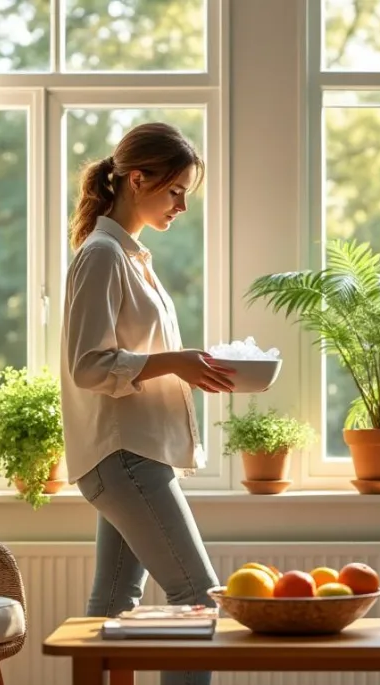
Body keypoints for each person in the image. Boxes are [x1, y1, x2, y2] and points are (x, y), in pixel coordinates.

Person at [60, 122, 235, 685]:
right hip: (124, 457)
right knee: (198, 598)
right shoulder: (104, 256)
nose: (182, 205)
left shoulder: (128, 256)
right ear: (139, 179)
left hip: (133, 456)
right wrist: (173, 362)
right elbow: (87, 364)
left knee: (114, 599)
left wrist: (183, 366)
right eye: (176, 191)